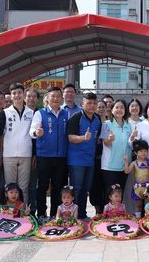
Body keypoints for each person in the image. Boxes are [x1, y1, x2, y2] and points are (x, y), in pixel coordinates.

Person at [29, 86, 69, 220]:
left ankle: (54, 215)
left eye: (58, 96)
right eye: (53, 96)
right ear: (47, 98)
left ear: (62, 98)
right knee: (42, 186)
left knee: (58, 187)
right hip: (44, 156)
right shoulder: (40, 113)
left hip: (61, 157)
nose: (56, 98)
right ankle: (41, 214)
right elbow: (32, 132)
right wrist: (36, 132)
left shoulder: (66, 114)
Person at [0, 83, 34, 204]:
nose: (17, 95)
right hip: (9, 154)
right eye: (14, 93)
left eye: (19, 92)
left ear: (24, 95)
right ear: (11, 96)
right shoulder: (5, 112)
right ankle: (8, 213)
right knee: (10, 187)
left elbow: (34, 136)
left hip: (26, 154)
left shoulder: (32, 112)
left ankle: (23, 214)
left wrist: (34, 154)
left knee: (24, 187)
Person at [66, 92, 101, 220]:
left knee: (85, 189)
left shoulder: (97, 119)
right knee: (76, 189)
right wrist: (83, 138)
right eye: (89, 103)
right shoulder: (76, 117)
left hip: (89, 160)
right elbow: (70, 137)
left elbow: (97, 138)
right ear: (82, 104)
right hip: (76, 160)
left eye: (94, 103)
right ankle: (73, 217)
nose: (92, 105)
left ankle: (82, 214)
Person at [100, 99, 132, 194]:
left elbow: (131, 143)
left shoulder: (129, 126)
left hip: (125, 167)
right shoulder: (106, 124)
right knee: (111, 195)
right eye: (116, 107)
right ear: (112, 110)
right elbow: (105, 143)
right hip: (110, 167)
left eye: (122, 107)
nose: (119, 109)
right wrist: (110, 139)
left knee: (120, 196)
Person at [125, 140, 149, 217]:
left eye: (145, 151)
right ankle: (138, 219)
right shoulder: (134, 163)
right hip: (138, 188)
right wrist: (126, 162)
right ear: (136, 152)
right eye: (141, 151)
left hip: (148, 187)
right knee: (138, 205)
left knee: (147, 205)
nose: (143, 153)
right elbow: (127, 171)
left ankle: (147, 220)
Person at [24, 87, 40, 216]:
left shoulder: (40, 113)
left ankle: (32, 211)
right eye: (28, 96)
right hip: (20, 153)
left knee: (32, 185)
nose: (31, 98)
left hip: (34, 154)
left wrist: (35, 154)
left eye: (34, 96)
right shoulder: (19, 113)